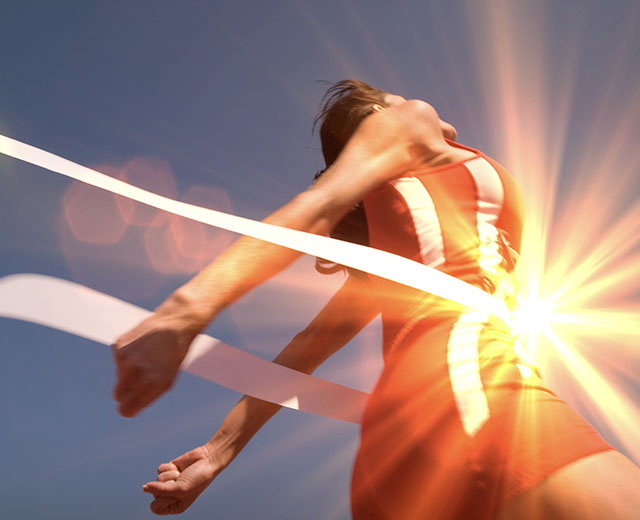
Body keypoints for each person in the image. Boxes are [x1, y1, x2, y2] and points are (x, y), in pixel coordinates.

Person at [113, 80, 640, 519]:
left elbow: (307, 348)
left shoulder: (395, 250)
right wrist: (185, 313)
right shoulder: (410, 119)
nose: (409, 99)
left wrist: (218, 451)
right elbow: (317, 205)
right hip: (466, 389)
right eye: (390, 97)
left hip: (398, 446)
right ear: (376, 117)